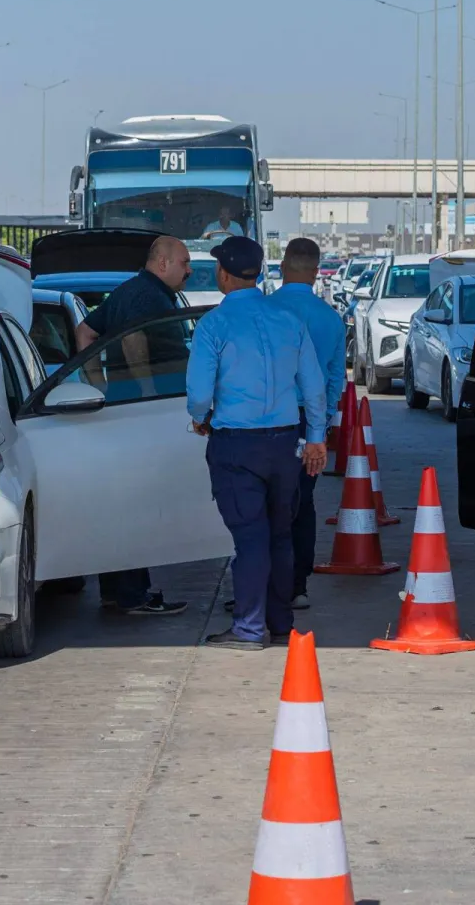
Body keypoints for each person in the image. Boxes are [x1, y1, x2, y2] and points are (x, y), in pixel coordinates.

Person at [188, 235, 328, 650]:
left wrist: (200, 420)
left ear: (224, 275)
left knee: (250, 538)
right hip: (286, 444)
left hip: (237, 446)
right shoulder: (289, 320)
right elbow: (314, 388)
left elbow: (198, 394)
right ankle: (280, 623)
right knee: (280, 535)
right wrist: (316, 438)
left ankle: (248, 629)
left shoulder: (214, 324)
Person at [73, 235, 193, 616]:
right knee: (137, 507)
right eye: (184, 263)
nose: (189, 271)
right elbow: (134, 342)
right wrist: (144, 392)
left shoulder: (128, 291)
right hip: (142, 414)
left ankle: (119, 591)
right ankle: (132, 595)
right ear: (162, 263)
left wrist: (99, 386)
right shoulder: (146, 296)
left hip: (122, 410)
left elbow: (84, 333)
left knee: (122, 505)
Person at [268, 238, 345, 611]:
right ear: (316, 272)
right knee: (303, 501)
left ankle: (264, 584)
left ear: (282, 266)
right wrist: (323, 423)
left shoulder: (265, 311)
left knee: (265, 503)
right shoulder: (330, 318)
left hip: (265, 421)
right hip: (308, 422)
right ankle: (298, 585)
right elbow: (335, 380)